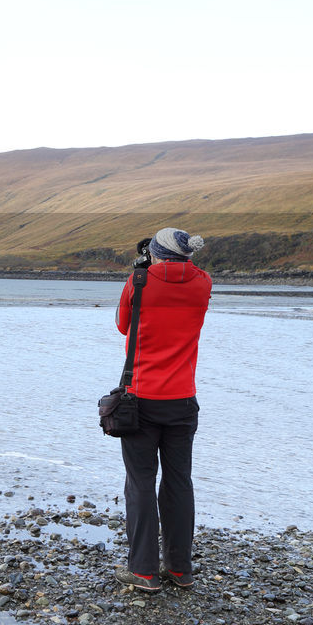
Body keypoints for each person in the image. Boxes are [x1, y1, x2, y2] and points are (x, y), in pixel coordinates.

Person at [113, 227, 212, 592]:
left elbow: (123, 325)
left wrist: (141, 272)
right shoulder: (203, 283)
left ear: (154, 253)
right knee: (178, 482)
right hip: (183, 399)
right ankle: (180, 569)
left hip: (140, 398)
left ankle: (143, 571)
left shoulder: (138, 281)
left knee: (140, 483)